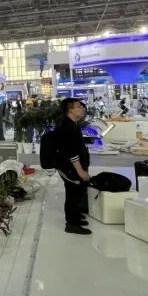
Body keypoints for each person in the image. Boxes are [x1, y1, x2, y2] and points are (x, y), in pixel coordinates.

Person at [51, 98, 91, 235]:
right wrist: (80, 171)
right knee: (73, 193)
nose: (82, 109)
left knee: (78, 190)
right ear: (70, 110)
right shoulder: (66, 127)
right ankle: (71, 224)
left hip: (74, 166)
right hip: (69, 167)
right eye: (78, 107)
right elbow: (71, 153)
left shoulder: (73, 124)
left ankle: (76, 216)